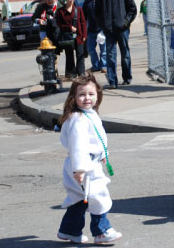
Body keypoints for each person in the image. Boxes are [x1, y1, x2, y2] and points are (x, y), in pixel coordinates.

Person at [57, 73, 122, 244]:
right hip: (84, 167)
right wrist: (80, 169)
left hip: (89, 163)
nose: (87, 98)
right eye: (82, 94)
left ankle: (69, 230)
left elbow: (97, 138)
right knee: (99, 196)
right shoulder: (78, 119)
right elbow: (78, 145)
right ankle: (101, 231)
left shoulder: (88, 114)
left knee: (80, 199)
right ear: (74, 97)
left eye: (91, 94)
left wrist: (103, 155)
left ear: (98, 95)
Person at [95, 0, 137, 89]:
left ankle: (127, 78)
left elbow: (132, 9)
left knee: (125, 54)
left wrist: (126, 22)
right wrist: (103, 25)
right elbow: (97, 12)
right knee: (110, 56)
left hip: (122, 29)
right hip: (109, 31)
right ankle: (112, 81)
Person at [56, 0, 87, 79]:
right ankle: (71, 73)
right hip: (67, 37)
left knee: (80, 54)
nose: (71, 0)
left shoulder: (79, 10)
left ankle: (81, 73)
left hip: (79, 35)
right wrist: (69, 27)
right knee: (69, 55)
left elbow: (83, 23)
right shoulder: (60, 11)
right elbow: (59, 24)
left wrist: (84, 35)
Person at [83, 0, 107, 73]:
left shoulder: (102, 1)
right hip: (91, 30)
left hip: (102, 30)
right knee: (91, 49)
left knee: (103, 50)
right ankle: (95, 66)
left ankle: (104, 66)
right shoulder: (87, 3)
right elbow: (84, 17)